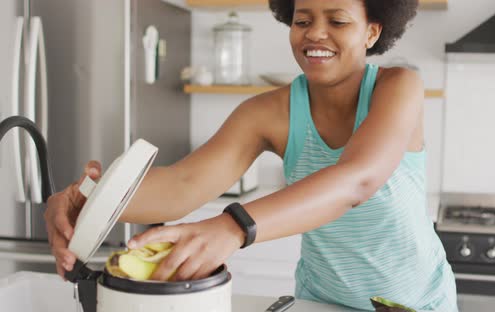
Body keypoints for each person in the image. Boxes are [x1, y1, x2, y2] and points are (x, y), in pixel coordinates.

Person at [45, 0, 458, 310]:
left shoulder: (399, 87)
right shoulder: (269, 112)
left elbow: (357, 180)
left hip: (416, 303)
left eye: (337, 21)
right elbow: (183, 185)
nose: (315, 33)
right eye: (302, 20)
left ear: (371, 32)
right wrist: (87, 202)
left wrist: (233, 226)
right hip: (321, 302)